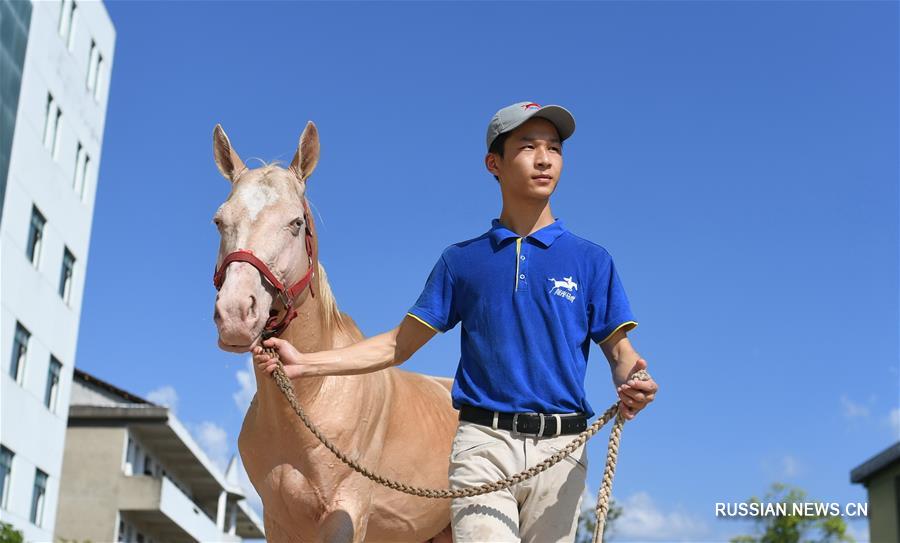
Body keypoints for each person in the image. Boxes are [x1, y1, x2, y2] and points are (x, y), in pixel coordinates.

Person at [252, 101, 659, 542]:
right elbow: (396, 346)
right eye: (527, 147)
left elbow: (620, 352)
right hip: (483, 445)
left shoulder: (592, 261)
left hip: (562, 452)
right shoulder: (462, 262)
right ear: (494, 164)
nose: (544, 159)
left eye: (554, 149)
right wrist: (305, 364)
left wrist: (633, 377)